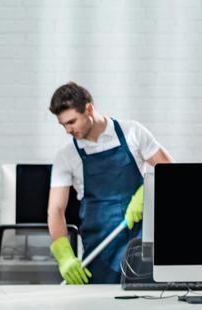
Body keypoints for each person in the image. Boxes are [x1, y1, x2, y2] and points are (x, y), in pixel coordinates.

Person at [47, 81, 174, 284]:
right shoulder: (66, 155)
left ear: (89, 109)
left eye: (71, 122)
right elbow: (56, 210)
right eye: (63, 125)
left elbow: (172, 172)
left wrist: (149, 191)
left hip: (142, 245)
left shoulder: (133, 132)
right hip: (99, 252)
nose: (68, 130)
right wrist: (64, 255)